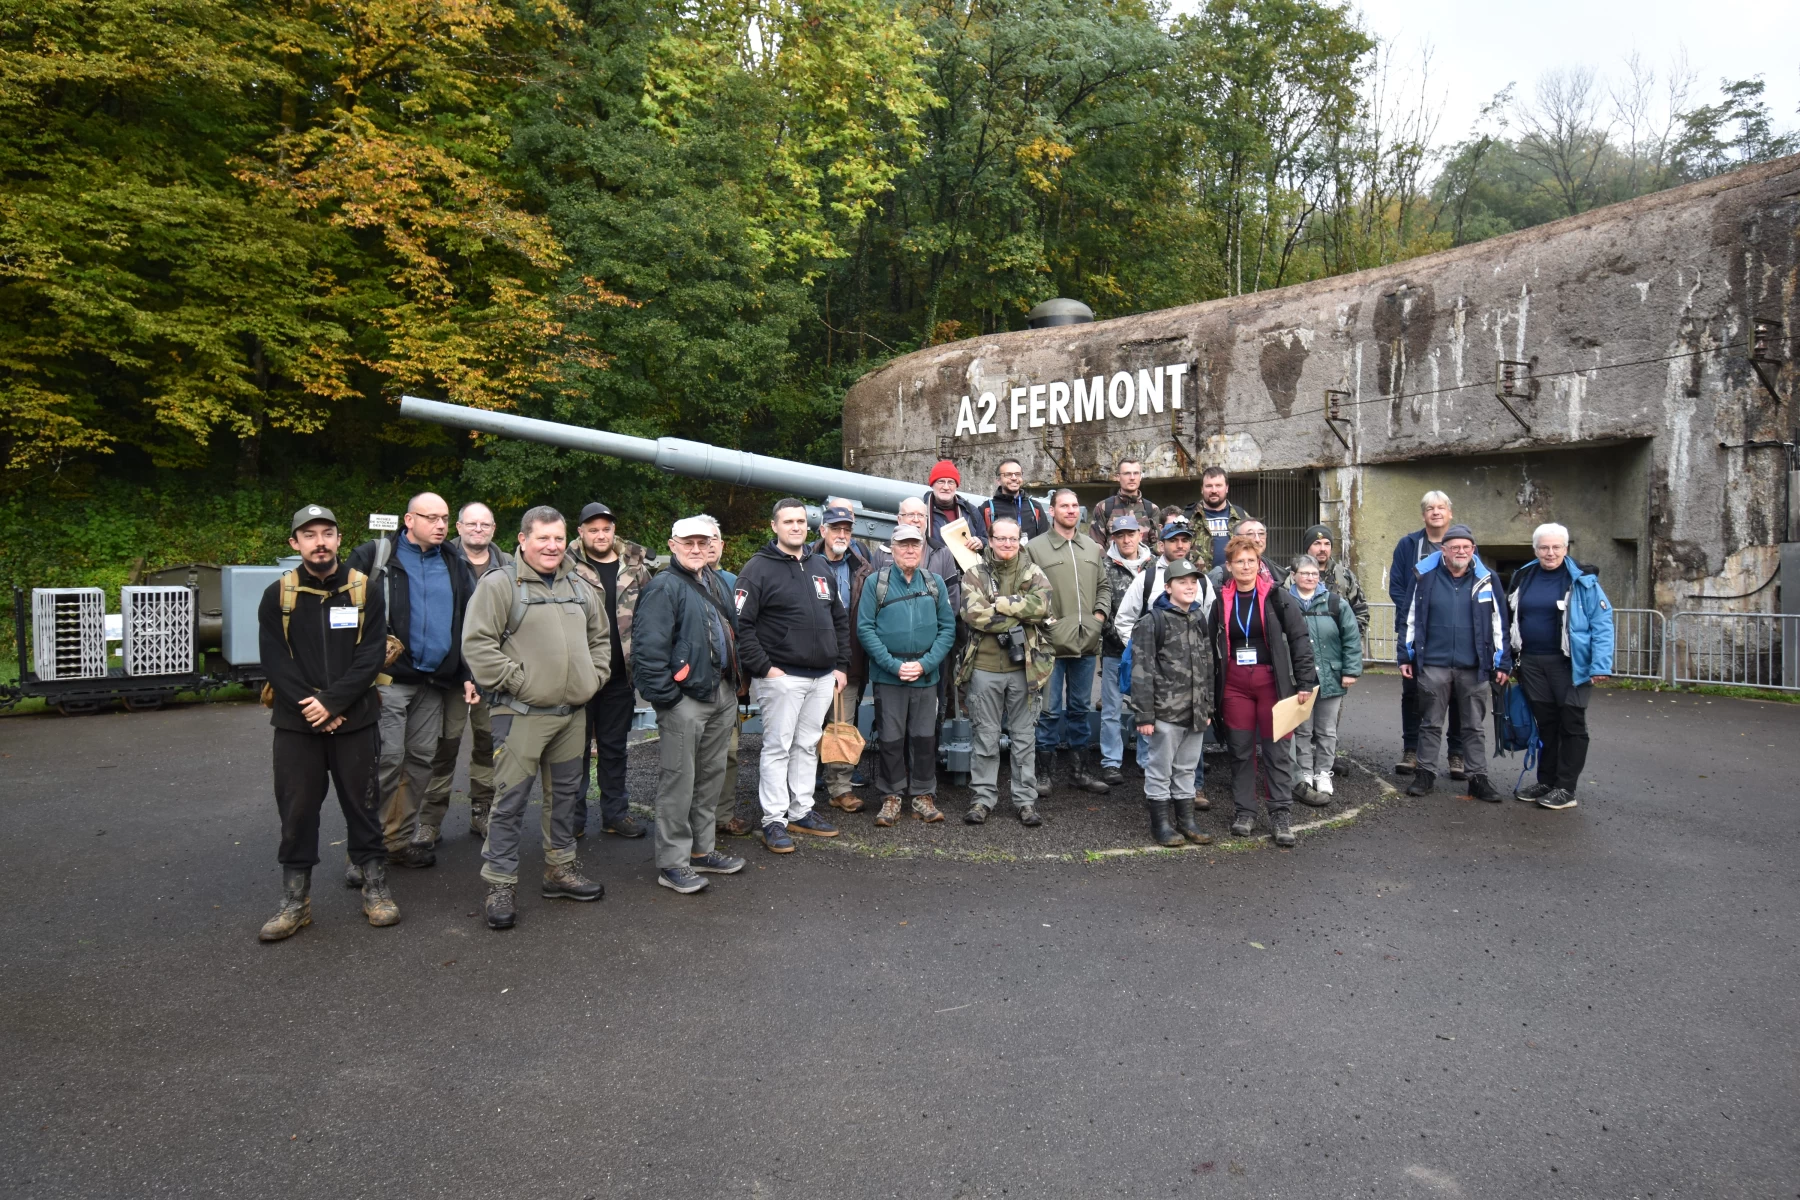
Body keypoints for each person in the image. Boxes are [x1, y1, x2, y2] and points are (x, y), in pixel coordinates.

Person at [461, 506, 611, 930]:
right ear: (523, 540)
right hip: (521, 714)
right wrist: (518, 682)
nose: (552, 546)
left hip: (571, 716)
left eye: (559, 538)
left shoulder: (580, 584)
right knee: (508, 802)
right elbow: (477, 645)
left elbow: (601, 638)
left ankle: (559, 870)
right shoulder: (499, 585)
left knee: (565, 796)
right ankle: (500, 882)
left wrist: (593, 678)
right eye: (543, 538)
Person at [256, 505, 395, 941]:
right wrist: (311, 707)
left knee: (364, 807)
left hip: (355, 721)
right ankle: (295, 904)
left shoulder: (364, 591)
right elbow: (275, 661)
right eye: (310, 535)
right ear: (295, 543)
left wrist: (333, 704)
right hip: (297, 726)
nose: (320, 542)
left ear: (339, 539)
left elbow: (372, 655)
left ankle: (375, 890)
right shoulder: (277, 595)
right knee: (296, 813)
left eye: (328, 533)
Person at [348, 493, 479, 870]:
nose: (440, 525)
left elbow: (470, 624)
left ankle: (397, 841)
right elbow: (342, 612)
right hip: (387, 680)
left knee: (421, 762)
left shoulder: (455, 562)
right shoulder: (376, 557)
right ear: (409, 520)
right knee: (385, 762)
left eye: (444, 518)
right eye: (431, 518)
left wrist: (468, 673)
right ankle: (363, 851)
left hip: (434, 683)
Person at [632, 516, 748, 892]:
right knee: (679, 782)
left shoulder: (714, 581)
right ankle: (672, 863)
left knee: (710, 777)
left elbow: (729, 633)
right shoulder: (663, 588)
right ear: (672, 545)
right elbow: (648, 652)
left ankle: (702, 850)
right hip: (686, 700)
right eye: (688, 543)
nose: (696, 549)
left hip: (720, 694)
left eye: (703, 542)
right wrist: (670, 699)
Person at [735, 497, 850, 853]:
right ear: (774, 526)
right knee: (777, 747)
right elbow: (742, 626)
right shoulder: (757, 569)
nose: (796, 527)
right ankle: (774, 819)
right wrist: (766, 669)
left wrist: (841, 665)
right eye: (789, 522)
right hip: (781, 678)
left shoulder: (820, 565)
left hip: (821, 677)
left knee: (806, 745)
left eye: (801, 521)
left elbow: (839, 619)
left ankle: (801, 811)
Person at [1213, 536, 1318, 847]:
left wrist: (1304, 682)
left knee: (1277, 750)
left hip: (1271, 683)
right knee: (1241, 751)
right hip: (1234, 685)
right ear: (1229, 566)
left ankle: (1280, 814)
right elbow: (1210, 649)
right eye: (1239, 561)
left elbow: (1299, 638)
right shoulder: (1220, 602)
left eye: (1251, 560)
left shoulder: (1276, 596)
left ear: (1259, 564)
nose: (1246, 566)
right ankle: (1245, 812)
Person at [1396, 524, 1511, 802]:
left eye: (1466, 547)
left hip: (1474, 666)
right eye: (1455, 547)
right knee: (1430, 724)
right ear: (1444, 550)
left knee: (1473, 726)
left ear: (1473, 550)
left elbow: (1500, 623)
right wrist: (1405, 655)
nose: (1461, 551)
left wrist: (1502, 662)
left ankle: (1478, 778)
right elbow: (1408, 616)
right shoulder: (1424, 576)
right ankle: (1425, 774)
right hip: (1433, 664)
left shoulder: (1487, 578)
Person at [956, 517, 1054, 826]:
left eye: (1013, 539)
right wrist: (1019, 614)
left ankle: (1025, 801)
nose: (1007, 544)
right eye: (1001, 538)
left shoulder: (1033, 572)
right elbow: (973, 615)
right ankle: (983, 799)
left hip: (1024, 669)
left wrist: (999, 603)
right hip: (984, 667)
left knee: (1024, 738)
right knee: (985, 737)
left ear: (1020, 540)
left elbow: (1042, 608)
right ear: (991, 539)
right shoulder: (974, 573)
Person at [1507, 523, 1613, 811]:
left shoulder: (1583, 580)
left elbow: (1602, 624)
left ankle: (1566, 788)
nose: (1549, 553)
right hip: (1531, 663)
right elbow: (1510, 617)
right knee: (1547, 724)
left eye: (1556, 547)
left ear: (1566, 549)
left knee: (1572, 723)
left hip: (1571, 664)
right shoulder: (1523, 576)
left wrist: (1600, 664)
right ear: (1535, 549)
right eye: (1544, 547)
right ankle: (1547, 781)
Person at [857, 524, 956, 826]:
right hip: (890, 676)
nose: (910, 550)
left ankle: (923, 795)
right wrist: (893, 665)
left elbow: (947, 629)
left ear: (923, 549)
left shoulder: (934, 582)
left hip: (926, 675)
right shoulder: (877, 583)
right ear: (893, 549)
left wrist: (925, 664)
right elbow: (865, 628)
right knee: (890, 738)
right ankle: (891, 796)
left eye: (915, 544)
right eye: (903, 545)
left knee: (925, 738)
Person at [565, 501, 651, 840]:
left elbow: (649, 614)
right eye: (593, 529)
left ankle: (615, 814)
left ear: (614, 530)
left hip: (620, 677)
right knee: (575, 752)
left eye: (606, 529)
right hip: (578, 675)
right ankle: (572, 820)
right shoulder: (565, 565)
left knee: (615, 749)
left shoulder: (635, 567)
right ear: (581, 532)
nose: (600, 535)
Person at [431, 502, 510, 841]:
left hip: (492, 673)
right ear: (459, 527)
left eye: (485, 524)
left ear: (494, 529)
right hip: (448, 674)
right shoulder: (439, 560)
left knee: (487, 745)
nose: (478, 529)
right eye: (471, 523)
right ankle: (429, 819)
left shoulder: (508, 565)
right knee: (443, 745)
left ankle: (483, 811)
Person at [1025, 487, 1112, 794]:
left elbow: (1104, 586)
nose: (1071, 510)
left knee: (1079, 709)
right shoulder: (1035, 548)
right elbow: (1029, 590)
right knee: (1048, 711)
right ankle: (1043, 774)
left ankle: (1080, 772)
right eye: (1064, 505)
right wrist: (1048, 622)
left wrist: (1098, 618)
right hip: (1050, 645)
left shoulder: (1091, 547)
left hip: (1086, 644)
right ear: (1052, 511)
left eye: (1075, 505)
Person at [1130, 557, 1217, 848]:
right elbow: (1141, 671)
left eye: (1193, 582)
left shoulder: (1199, 618)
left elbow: (1208, 666)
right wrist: (1144, 715)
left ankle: (1187, 821)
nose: (1190, 587)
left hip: (1194, 712)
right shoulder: (1152, 621)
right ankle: (1161, 824)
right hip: (1164, 712)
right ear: (1168, 587)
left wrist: (1208, 707)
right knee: (1160, 769)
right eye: (1182, 582)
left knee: (1187, 768)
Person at [808, 503, 879, 813]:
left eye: (847, 530)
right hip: (805, 661)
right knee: (805, 728)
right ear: (822, 530)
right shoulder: (802, 561)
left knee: (841, 726)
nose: (841, 535)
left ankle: (840, 788)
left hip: (846, 662)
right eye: (835, 529)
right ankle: (799, 791)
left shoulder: (862, 567)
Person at [1389, 490, 1465, 778]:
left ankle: (1456, 754)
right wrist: (1417, 617)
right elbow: (1397, 586)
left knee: (1457, 692)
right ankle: (1412, 750)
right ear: (1424, 515)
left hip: (1455, 633)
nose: (1436, 512)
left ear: (1450, 513)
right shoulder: (1408, 545)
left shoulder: (1463, 545)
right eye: (1430, 508)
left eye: (1441, 507)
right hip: (1416, 633)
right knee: (1413, 692)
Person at [1287, 555, 1362, 807]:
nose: (1310, 577)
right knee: (1303, 729)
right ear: (1294, 575)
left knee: (1327, 730)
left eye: (1314, 574)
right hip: (1298, 679)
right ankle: (1305, 773)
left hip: (1331, 674)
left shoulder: (1334, 602)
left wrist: (1350, 670)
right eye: (1305, 573)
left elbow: (1350, 637)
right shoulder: (1285, 602)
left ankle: (1323, 773)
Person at [707, 525, 755, 837]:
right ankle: (695, 821)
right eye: (700, 540)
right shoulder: (670, 583)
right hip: (691, 687)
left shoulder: (733, 583)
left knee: (729, 752)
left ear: (722, 545)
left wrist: (745, 675)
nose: (707, 546)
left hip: (728, 684)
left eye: (713, 539)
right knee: (695, 758)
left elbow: (745, 632)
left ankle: (723, 816)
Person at [1099, 513, 1153, 784]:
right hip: (1114, 649)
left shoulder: (1154, 566)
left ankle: (1146, 760)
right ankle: (1111, 762)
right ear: (1114, 538)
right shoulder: (1104, 566)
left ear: (1139, 535)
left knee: (1146, 706)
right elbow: (1102, 606)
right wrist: (1124, 640)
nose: (1126, 539)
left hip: (1150, 652)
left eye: (1130, 534)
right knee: (1111, 709)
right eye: (1120, 535)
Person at [1292, 523, 1370, 636]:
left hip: (1338, 645)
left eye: (1327, 544)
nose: (1323, 549)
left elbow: (1361, 611)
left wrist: (1350, 638)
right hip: (1303, 643)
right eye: (1317, 543)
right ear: (1307, 547)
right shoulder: (1292, 575)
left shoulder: (1345, 576)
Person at [1089, 458, 1159, 549]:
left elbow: (1157, 546)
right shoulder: (1104, 507)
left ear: (1140, 476)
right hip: (1112, 562)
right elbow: (1096, 545)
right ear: (1118, 477)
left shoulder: (1151, 509)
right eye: (1127, 473)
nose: (1132, 478)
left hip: (1144, 562)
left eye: (1136, 473)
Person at [1191, 467, 1251, 570]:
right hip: (1198, 582)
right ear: (1202, 489)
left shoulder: (1241, 516)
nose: (1214, 490)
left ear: (1227, 488)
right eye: (1209, 486)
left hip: (1236, 580)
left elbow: (1253, 548)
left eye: (1218, 485)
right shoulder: (1189, 517)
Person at [978, 458, 1050, 543]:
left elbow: (1045, 540)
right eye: (1008, 474)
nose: (1014, 478)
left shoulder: (1035, 507)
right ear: (998, 480)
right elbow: (982, 541)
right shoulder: (986, 509)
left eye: (1017, 474)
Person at [923, 461, 984, 552]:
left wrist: (981, 542)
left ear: (956, 486)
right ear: (932, 485)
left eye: (951, 482)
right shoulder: (921, 511)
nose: (946, 487)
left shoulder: (970, 511)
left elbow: (987, 540)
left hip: (966, 565)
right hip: (932, 565)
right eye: (941, 481)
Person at [1206, 517, 1278, 589]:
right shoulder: (1219, 574)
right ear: (1235, 538)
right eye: (1250, 534)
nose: (1257, 539)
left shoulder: (1275, 570)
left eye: (1261, 533)